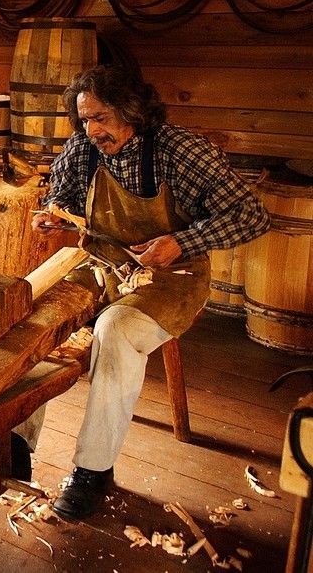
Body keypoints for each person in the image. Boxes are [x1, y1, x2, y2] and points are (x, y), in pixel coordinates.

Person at [26, 63, 270, 520]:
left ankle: (92, 470)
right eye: (84, 119)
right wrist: (53, 215)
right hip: (102, 263)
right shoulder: (84, 148)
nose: (91, 129)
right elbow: (64, 199)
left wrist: (182, 241)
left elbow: (252, 215)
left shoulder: (180, 151)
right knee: (40, 311)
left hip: (172, 278)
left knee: (115, 329)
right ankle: (15, 441)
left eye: (100, 117)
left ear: (131, 110)